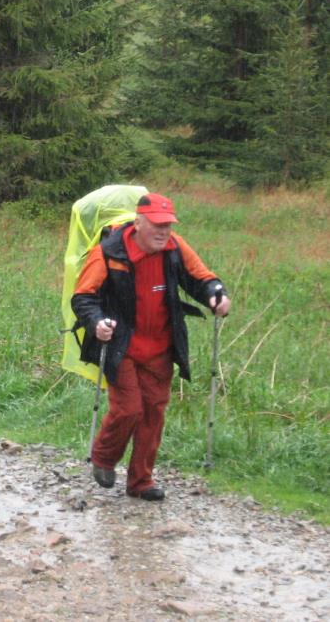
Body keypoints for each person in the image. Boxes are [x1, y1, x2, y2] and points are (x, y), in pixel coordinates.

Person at [71, 193, 231, 501]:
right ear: (139, 222)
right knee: (129, 409)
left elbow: (201, 278)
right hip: (122, 347)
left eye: (168, 225)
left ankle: (140, 482)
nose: (163, 232)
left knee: (153, 413)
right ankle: (104, 458)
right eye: (157, 225)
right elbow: (83, 297)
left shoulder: (174, 248)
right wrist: (96, 323)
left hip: (160, 346)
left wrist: (216, 295)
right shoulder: (107, 252)